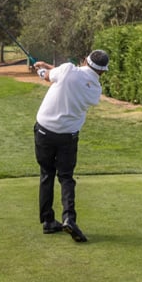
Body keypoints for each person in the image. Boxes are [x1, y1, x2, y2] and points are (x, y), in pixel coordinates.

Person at [33, 49, 110, 242]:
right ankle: (69, 217)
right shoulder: (95, 91)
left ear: (85, 60)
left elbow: (49, 77)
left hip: (45, 130)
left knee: (47, 174)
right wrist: (49, 67)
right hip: (68, 136)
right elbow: (69, 75)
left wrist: (41, 71)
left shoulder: (67, 70)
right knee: (66, 177)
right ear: (102, 72)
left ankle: (48, 221)